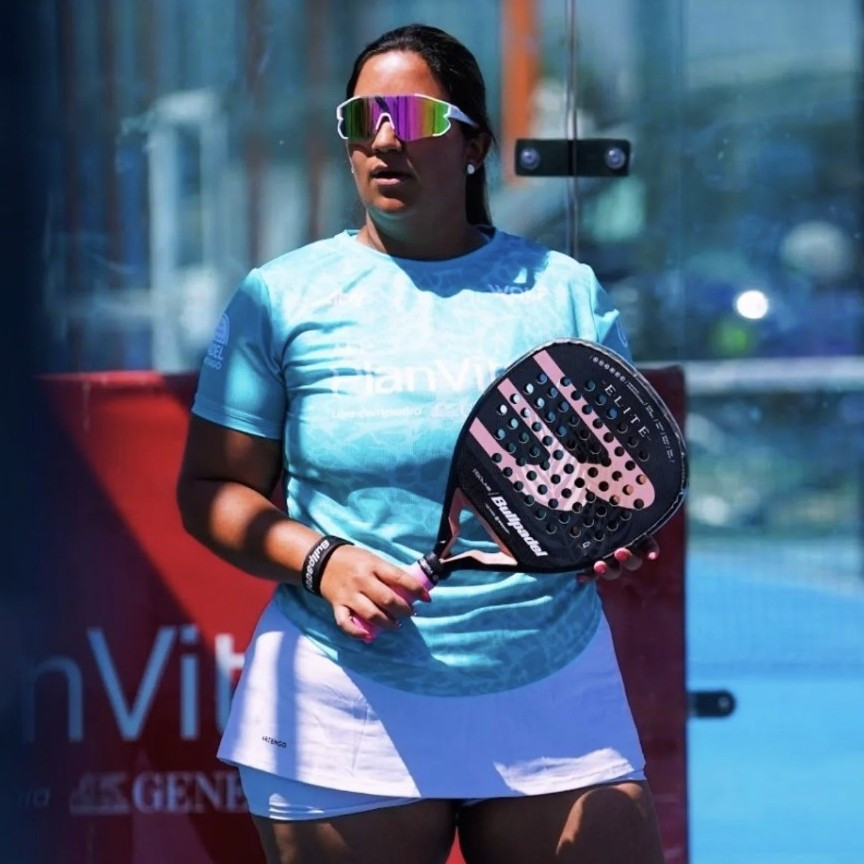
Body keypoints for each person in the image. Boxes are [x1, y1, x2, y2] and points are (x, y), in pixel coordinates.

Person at [177, 22, 667, 864]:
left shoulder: (565, 292)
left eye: (411, 116)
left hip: (552, 685)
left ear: (474, 145)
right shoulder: (280, 297)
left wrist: (613, 535)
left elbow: (613, 480)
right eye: (361, 118)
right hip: (344, 697)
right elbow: (212, 489)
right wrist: (323, 561)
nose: (383, 139)